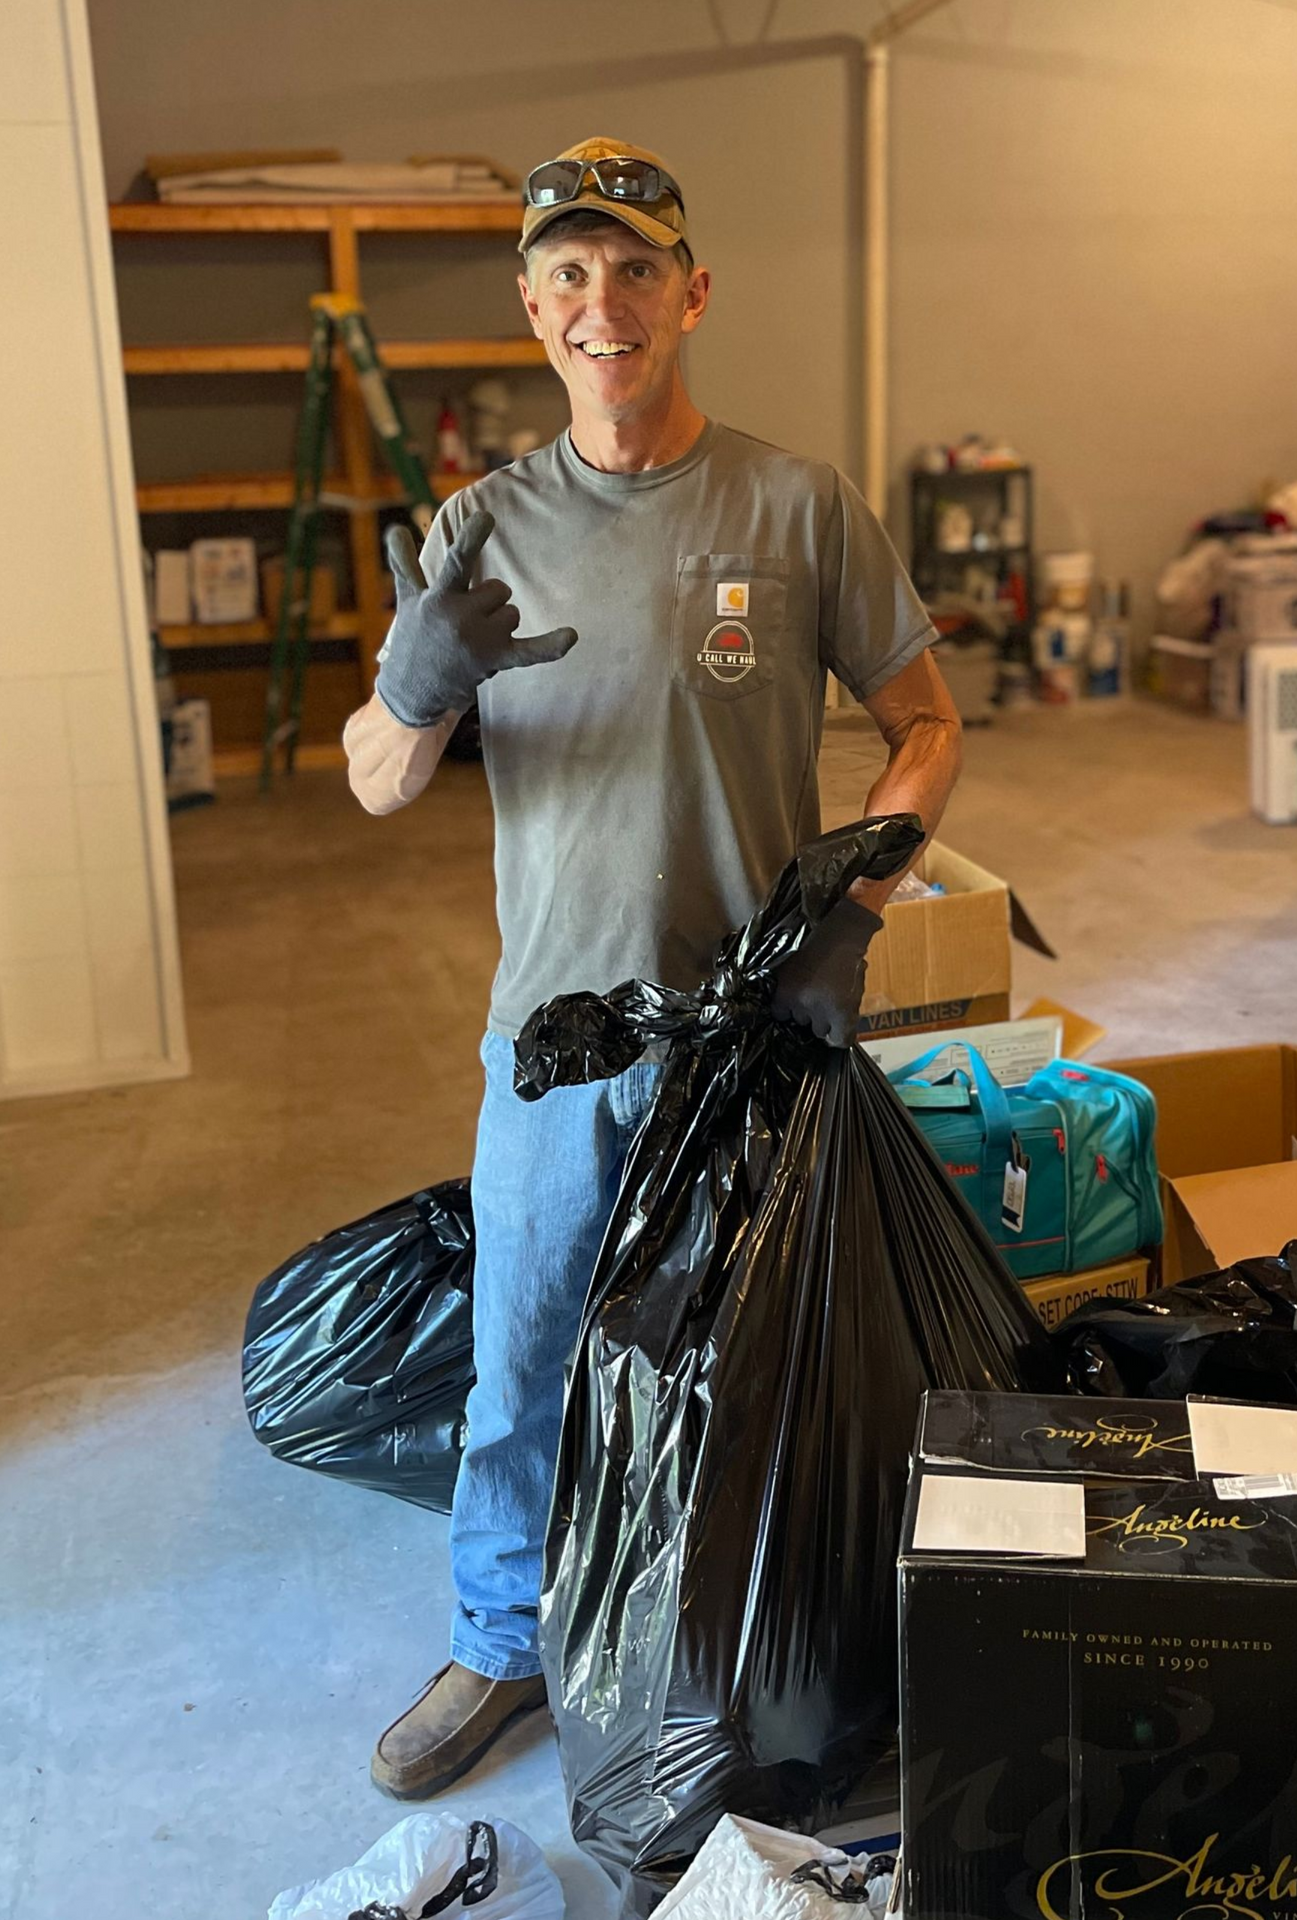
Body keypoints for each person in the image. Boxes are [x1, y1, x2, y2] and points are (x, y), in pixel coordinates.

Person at [342, 136, 964, 1801]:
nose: (600, 303)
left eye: (632, 270)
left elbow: (927, 723)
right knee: (526, 1353)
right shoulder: (478, 528)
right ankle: (500, 1641)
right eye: (566, 273)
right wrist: (410, 689)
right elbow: (374, 781)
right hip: (555, 1044)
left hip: (753, 1037)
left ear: (691, 293)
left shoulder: (796, 503)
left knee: (746, 1362)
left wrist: (857, 901)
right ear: (530, 307)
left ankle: (715, 1658)